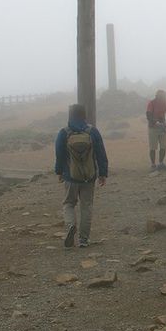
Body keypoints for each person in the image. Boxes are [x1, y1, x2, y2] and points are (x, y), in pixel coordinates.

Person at [55, 103, 108, 248]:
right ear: (84, 115)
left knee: (68, 203)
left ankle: (71, 225)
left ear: (70, 115)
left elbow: (59, 155)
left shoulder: (64, 133)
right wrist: (102, 173)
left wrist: (59, 172)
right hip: (89, 177)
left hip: (70, 176)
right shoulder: (93, 132)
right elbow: (101, 153)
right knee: (86, 206)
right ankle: (84, 239)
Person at [146, 89, 166, 171]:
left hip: (162, 126)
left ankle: (161, 163)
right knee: (153, 147)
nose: (164, 98)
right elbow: (148, 115)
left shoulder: (165, 103)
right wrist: (155, 122)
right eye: (163, 97)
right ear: (157, 97)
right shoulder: (152, 103)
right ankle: (153, 164)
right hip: (153, 127)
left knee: (163, 146)